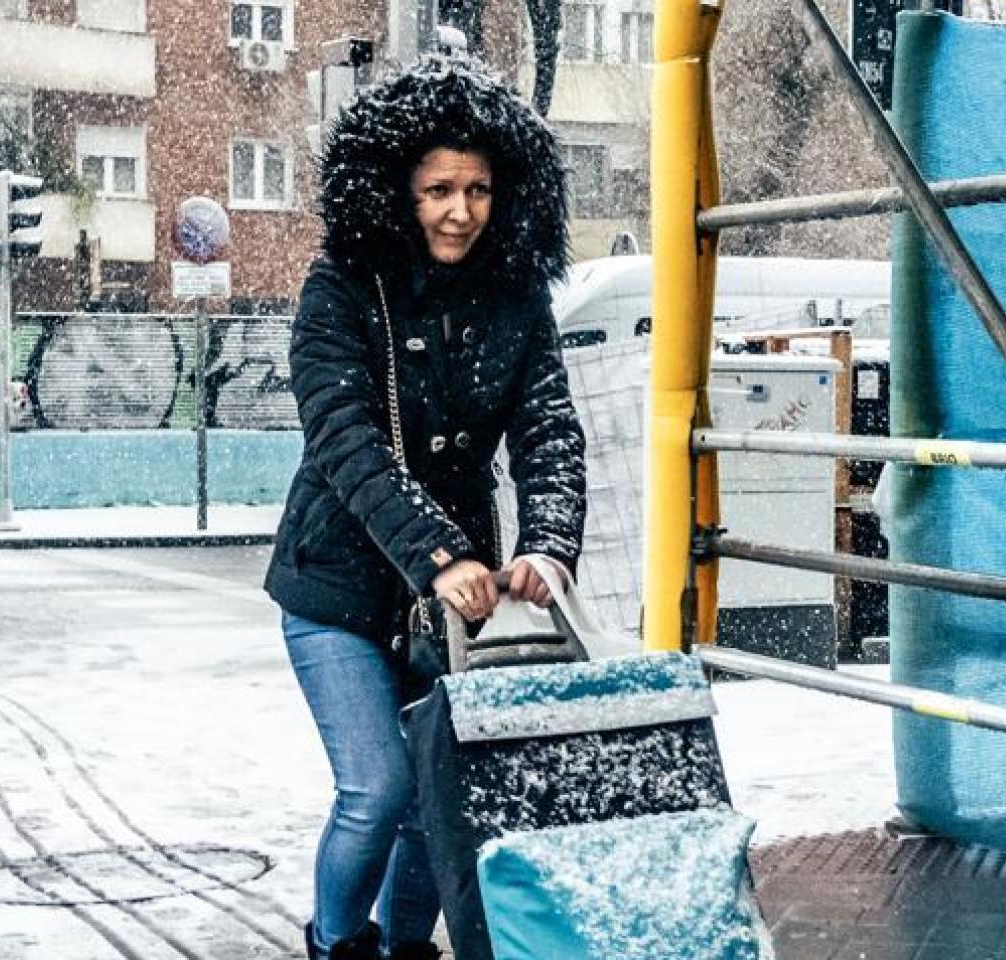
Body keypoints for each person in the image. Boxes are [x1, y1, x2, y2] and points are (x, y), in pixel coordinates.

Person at [263, 56, 586, 960]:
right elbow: (345, 440)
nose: (460, 210)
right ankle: (336, 944)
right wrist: (440, 554)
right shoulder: (339, 290)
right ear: (397, 191)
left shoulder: (516, 296)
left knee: (435, 802)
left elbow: (549, 429)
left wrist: (549, 546)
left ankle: (409, 949)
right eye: (439, 188)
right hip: (335, 588)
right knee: (379, 786)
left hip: (455, 603)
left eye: (479, 188)